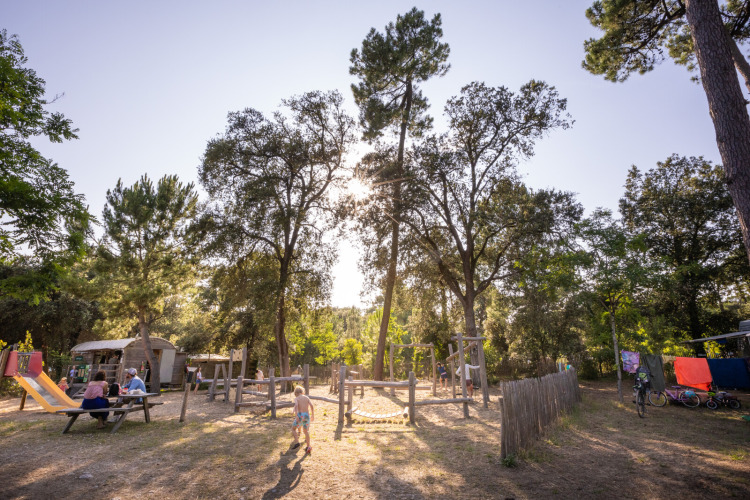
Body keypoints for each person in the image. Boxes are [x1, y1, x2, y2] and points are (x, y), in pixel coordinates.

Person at [290, 385, 314, 454]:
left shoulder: (297, 398)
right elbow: (311, 405)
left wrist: (296, 415)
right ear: (302, 392)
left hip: (300, 415)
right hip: (306, 416)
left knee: (293, 429)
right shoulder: (306, 397)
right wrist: (312, 415)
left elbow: (296, 405)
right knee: (306, 431)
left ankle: (297, 442)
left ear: (296, 393)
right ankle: (308, 446)